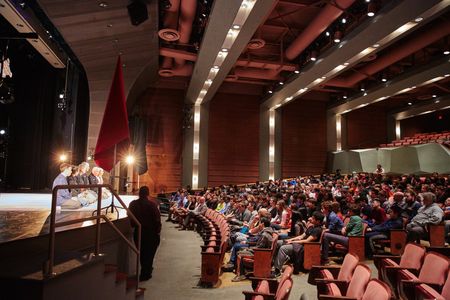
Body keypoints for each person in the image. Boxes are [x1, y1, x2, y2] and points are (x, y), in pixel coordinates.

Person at [272, 211, 324, 276]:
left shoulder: (318, 230)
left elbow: (307, 241)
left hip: (305, 247)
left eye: (313, 218)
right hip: (299, 244)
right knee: (278, 242)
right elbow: (301, 236)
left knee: (283, 248)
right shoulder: (311, 227)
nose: (311, 219)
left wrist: (293, 242)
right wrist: (289, 240)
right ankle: (273, 263)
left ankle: (277, 270)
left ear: (318, 221)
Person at [128, 186, 161, 281]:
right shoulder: (152, 205)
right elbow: (157, 219)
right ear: (148, 194)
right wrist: (158, 231)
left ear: (139, 193)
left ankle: (145, 270)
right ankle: (146, 271)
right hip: (151, 232)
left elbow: (130, 216)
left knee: (142, 252)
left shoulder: (133, 204)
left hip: (138, 231)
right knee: (150, 253)